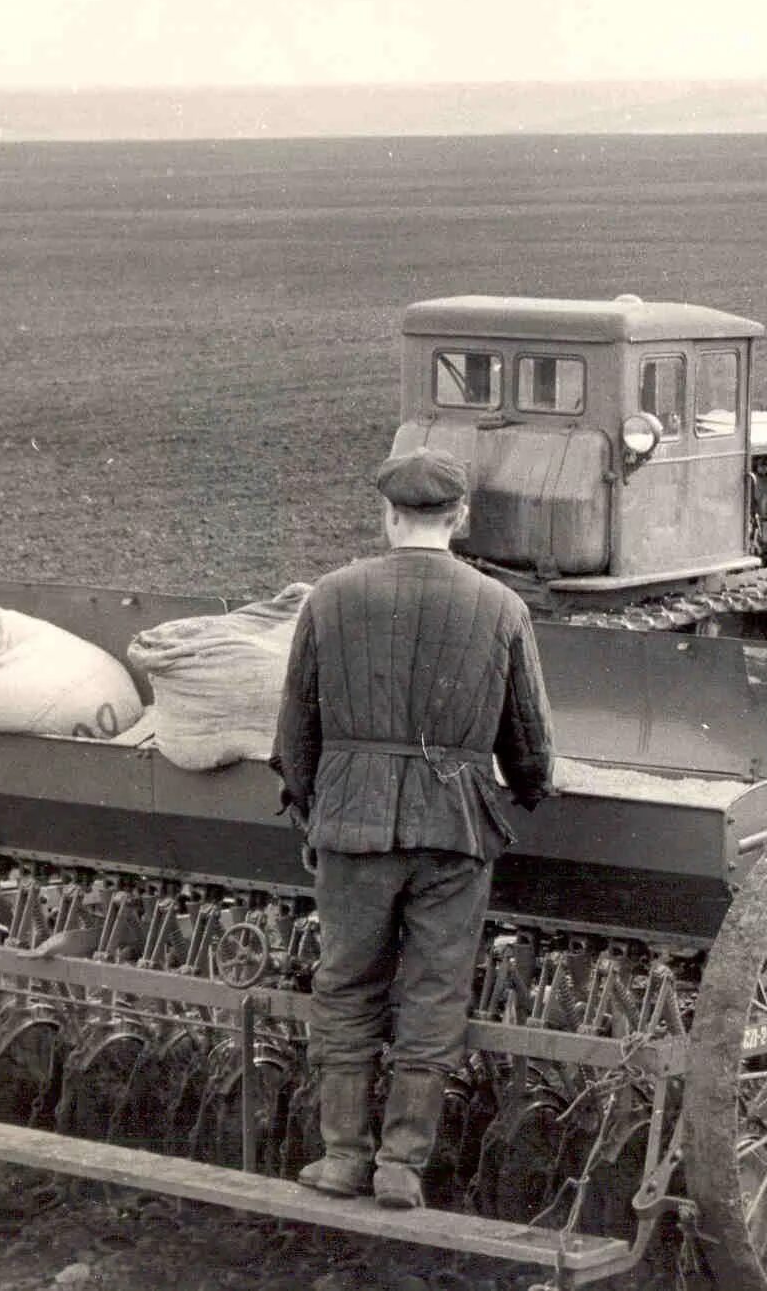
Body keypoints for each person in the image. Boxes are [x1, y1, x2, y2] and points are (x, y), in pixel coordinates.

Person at [270, 446, 555, 1209]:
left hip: (352, 823)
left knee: (346, 983)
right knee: (435, 989)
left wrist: (310, 802)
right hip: (454, 826)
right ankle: (402, 1165)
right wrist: (521, 793)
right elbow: (528, 738)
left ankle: (340, 1157)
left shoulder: (331, 596)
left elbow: (295, 723)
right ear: (459, 518)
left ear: (387, 514)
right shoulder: (499, 606)